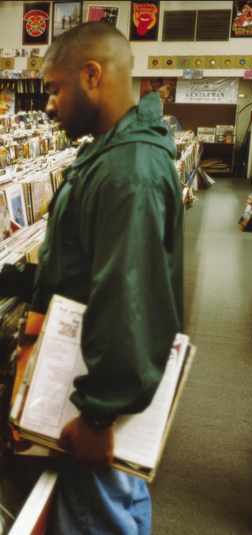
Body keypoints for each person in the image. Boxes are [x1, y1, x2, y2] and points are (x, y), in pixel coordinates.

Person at [0, 22, 184, 535]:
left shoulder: (128, 170)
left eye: (55, 89)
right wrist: (15, 278)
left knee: (94, 515)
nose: (49, 106)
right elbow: (84, 266)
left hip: (92, 393)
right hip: (92, 381)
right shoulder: (114, 154)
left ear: (92, 74)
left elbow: (130, 295)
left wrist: (98, 415)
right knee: (115, 506)